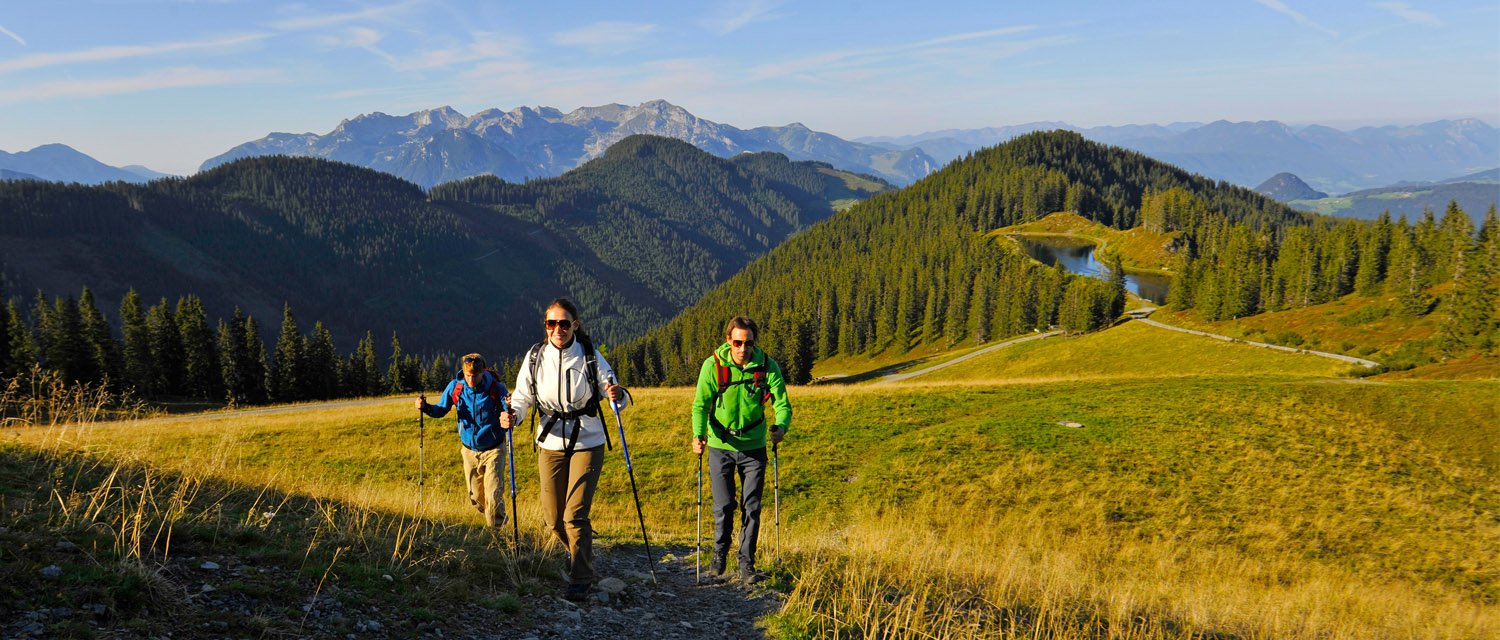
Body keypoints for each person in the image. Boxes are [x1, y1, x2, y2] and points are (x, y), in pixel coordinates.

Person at [504, 298, 627, 601]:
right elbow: (522, 396)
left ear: (575, 325)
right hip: (550, 443)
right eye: (551, 323)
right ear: (545, 326)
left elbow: (615, 396)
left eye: (563, 323)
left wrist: (617, 394)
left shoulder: (590, 357)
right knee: (553, 519)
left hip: (588, 440)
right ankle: (578, 552)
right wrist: (514, 416)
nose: (557, 329)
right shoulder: (535, 357)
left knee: (574, 515)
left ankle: (581, 577)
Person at [691, 316, 792, 584]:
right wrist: (698, 435)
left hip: (755, 446)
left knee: (752, 507)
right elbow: (700, 404)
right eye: (737, 342)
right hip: (719, 445)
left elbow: (782, 403)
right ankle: (719, 556)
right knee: (724, 505)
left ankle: (747, 563)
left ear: (753, 343)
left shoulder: (767, 367)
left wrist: (781, 427)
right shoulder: (713, 366)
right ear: (728, 341)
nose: (742, 348)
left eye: (747, 343)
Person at [415, 353, 510, 530]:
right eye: (468, 376)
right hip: (469, 451)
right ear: (463, 372)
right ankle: (492, 516)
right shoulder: (456, 388)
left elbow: (509, 410)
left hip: (494, 449)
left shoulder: (496, 388)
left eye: (475, 376)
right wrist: (426, 407)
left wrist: (510, 412)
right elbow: (441, 409)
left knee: (493, 495)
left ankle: (498, 533)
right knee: (476, 499)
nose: (472, 380)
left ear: (483, 372)